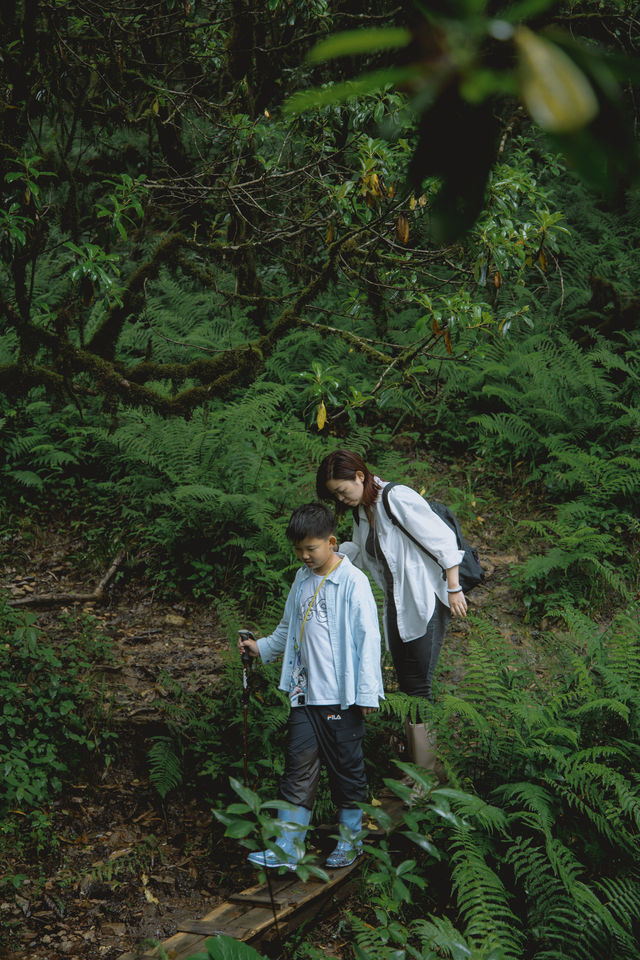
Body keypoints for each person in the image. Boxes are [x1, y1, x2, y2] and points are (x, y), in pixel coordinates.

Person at [238, 502, 384, 871]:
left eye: (311, 549)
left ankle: (350, 842)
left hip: (341, 698)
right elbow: (289, 629)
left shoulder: (353, 582)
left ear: (331, 542)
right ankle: (288, 847)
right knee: (297, 768)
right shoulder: (302, 580)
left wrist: (367, 693)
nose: (304, 556)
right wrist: (262, 649)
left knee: (346, 771)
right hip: (304, 695)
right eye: (298, 550)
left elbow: (368, 640)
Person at [316, 449, 467, 774]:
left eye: (342, 490)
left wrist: (454, 587)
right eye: (335, 496)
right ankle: (420, 768)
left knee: (418, 689)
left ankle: (425, 775)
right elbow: (357, 548)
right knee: (408, 687)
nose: (341, 499)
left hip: (426, 600)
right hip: (397, 606)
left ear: (360, 476)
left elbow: (442, 538)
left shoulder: (395, 498)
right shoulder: (361, 510)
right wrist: (326, 558)